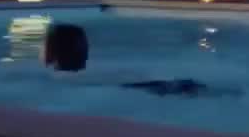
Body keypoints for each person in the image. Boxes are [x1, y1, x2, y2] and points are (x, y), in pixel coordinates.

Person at [42, 23, 237, 97]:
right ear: (70, 48)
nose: (87, 49)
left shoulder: (59, 80)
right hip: (148, 88)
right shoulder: (70, 81)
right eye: (83, 45)